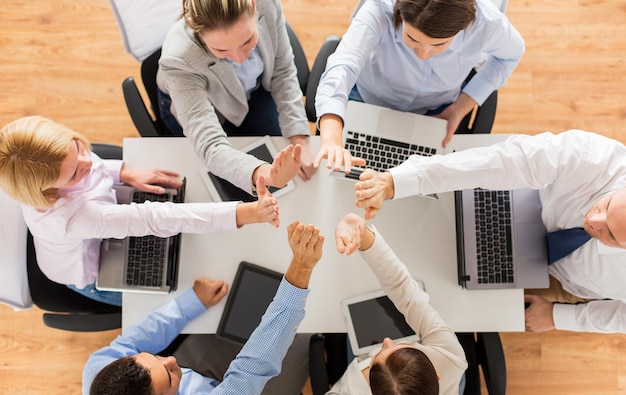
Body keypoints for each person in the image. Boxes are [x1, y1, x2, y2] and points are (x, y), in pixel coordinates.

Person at [353, 130, 626, 334]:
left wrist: (558, 317)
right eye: (607, 204)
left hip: (565, 281)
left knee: (452, 297)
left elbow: (621, 318)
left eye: (611, 235)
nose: (595, 221)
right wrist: (396, 182)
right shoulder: (595, 159)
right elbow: (503, 162)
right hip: (529, 207)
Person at [0, 116, 281, 307]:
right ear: (47, 187)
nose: (88, 160)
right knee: (176, 300)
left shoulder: (60, 163)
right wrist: (246, 213)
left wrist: (121, 171)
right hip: (88, 272)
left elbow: (91, 166)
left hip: (89, 231)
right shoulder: (73, 218)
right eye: (75, 173)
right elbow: (154, 218)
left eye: (77, 146)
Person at [83, 221, 324, 395]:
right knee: (310, 329)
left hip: (197, 379)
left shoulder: (100, 370)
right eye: (167, 376)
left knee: (240, 300)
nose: (170, 359)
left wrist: (190, 304)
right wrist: (301, 268)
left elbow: (135, 339)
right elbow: (254, 367)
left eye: (155, 357)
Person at [314, 0, 524, 172]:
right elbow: (343, 66)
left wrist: (461, 107)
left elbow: (510, 56)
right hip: (368, 98)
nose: (423, 54)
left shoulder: (487, 23)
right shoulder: (379, 7)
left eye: (439, 44)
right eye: (412, 39)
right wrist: (332, 136)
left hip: (436, 112)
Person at [157, 0, 317, 189]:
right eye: (221, 50)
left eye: (247, 41)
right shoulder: (177, 58)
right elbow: (210, 145)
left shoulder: (268, 4)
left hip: (253, 89)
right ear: (194, 26)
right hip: (204, 106)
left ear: (254, 5)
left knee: (284, 153)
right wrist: (263, 174)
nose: (240, 58)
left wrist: (299, 138)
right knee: (227, 185)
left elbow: (282, 70)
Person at [322, 213, 467, 395]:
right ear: (436, 373)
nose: (388, 340)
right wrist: (365, 239)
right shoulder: (451, 356)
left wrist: (342, 386)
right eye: (399, 349)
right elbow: (405, 291)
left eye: (376, 358)